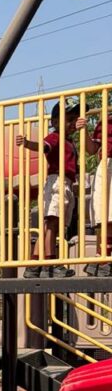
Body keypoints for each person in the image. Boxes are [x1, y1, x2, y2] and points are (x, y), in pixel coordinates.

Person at [16, 100, 85, 278]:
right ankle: (50, 264)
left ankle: (34, 265)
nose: (73, 123)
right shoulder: (56, 137)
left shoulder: (69, 141)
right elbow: (43, 147)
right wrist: (27, 143)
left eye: (75, 119)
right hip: (57, 182)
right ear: (55, 122)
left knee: (50, 224)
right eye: (69, 119)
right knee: (52, 223)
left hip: (65, 182)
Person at [83, 109, 112, 277]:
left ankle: (103, 257)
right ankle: (102, 257)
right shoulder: (105, 122)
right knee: (104, 214)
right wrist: (84, 130)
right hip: (107, 166)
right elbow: (92, 149)